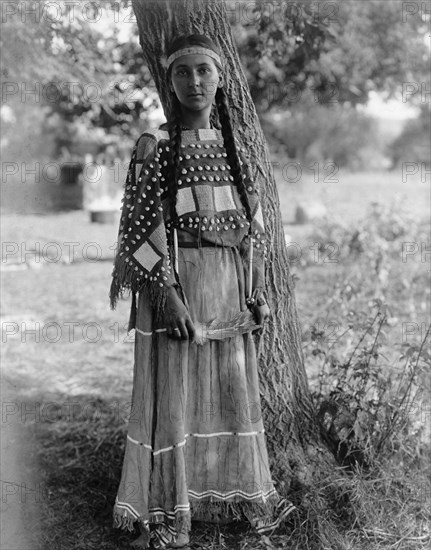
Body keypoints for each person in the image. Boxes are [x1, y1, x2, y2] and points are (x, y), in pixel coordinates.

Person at [110, 34, 294, 549]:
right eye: (183, 72)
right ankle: (172, 509)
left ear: (221, 78)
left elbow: (251, 237)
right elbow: (139, 238)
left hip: (228, 292)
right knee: (177, 394)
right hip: (179, 289)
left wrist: (257, 294)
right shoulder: (156, 148)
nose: (195, 81)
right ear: (169, 81)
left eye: (204, 71)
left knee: (230, 392)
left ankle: (230, 496)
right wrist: (168, 298)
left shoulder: (236, 156)